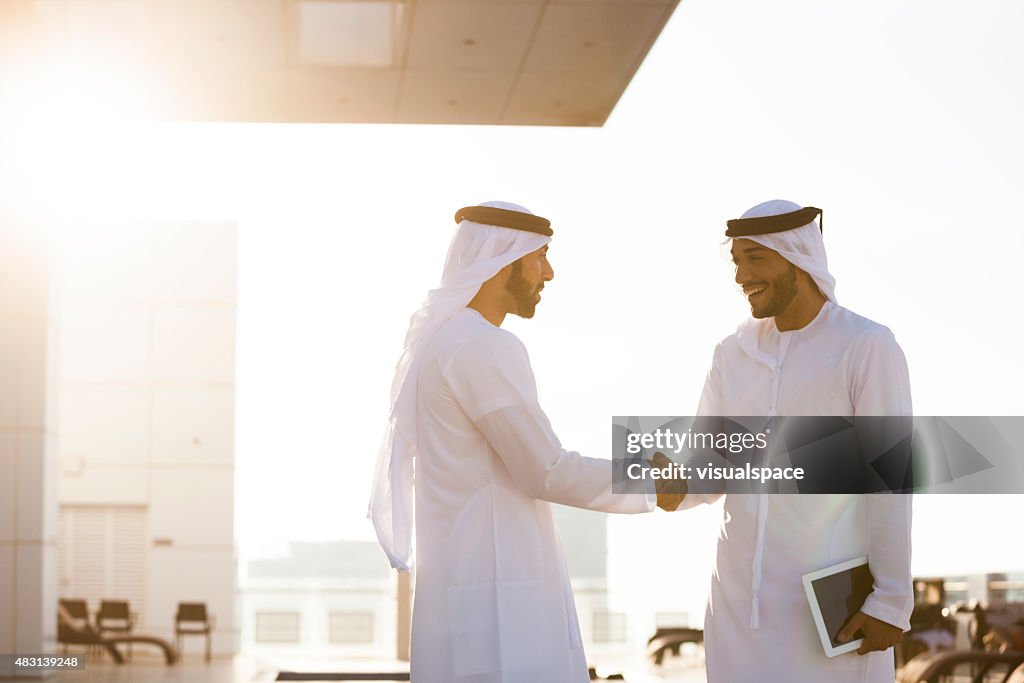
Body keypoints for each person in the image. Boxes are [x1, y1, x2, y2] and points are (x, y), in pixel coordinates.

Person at [368, 201, 669, 683]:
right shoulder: (481, 344)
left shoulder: (447, 341)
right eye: (540, 257)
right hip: (499, 605)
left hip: (471, 590)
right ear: (503, 260)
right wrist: (650, 481)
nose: (548, 273)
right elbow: (544, 469)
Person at [663, 199, 914, 682]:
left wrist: (891, 600)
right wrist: (671, 481)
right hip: (737, 608)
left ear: (797, 258)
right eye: (737, 261)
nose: (741, 276)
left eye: (756, 258)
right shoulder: (731, 353)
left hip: (830, 611)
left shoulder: (865, 346)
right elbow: (709, 468)